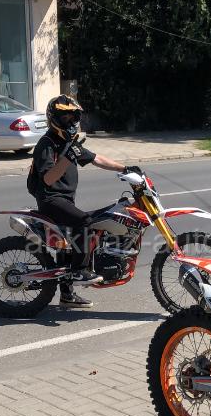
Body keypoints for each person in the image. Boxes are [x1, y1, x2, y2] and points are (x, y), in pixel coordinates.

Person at [31, 95, 137, 309]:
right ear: (55, 118)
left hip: (65, 200)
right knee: (85, 222)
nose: (71, 121)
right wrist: (68, 157)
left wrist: (125, 169)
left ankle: (67, 296)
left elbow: (97, 159)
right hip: (50, 199)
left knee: (69, 246)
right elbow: (48, 179)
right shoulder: (47, 143)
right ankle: (80, 271)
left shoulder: (69, 144)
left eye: (74, 117)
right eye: (66, 117)